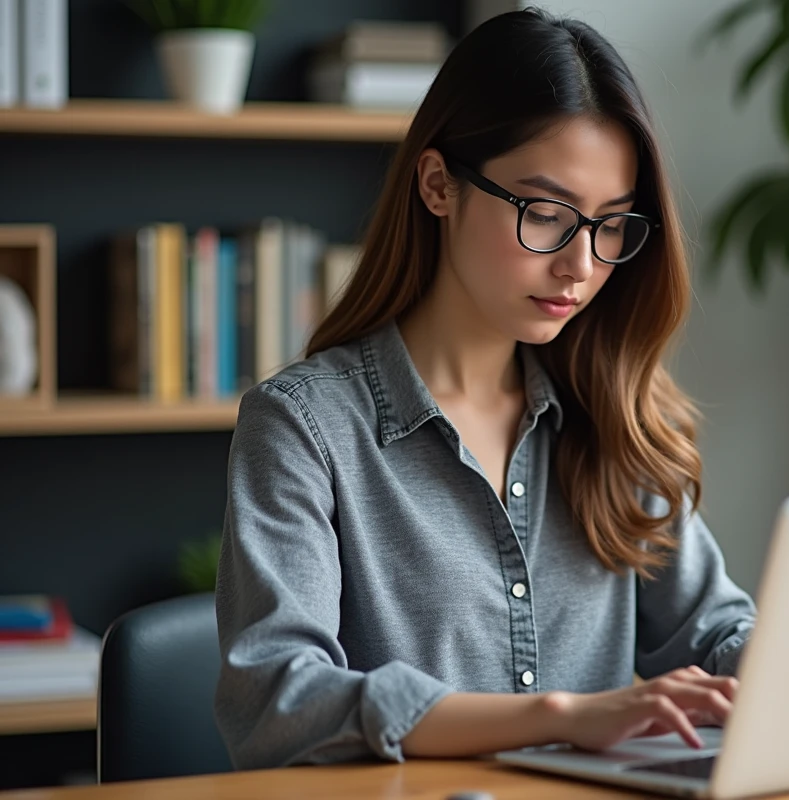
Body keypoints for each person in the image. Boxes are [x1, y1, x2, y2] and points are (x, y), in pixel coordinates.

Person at [214, 8, 757, 770]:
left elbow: (716, 633)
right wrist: (560, 716)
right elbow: (281, 701)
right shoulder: (304, 427)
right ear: (439, 184)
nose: (580, 266)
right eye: (546, 214)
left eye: (609, 226)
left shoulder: (610, 417)